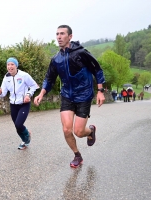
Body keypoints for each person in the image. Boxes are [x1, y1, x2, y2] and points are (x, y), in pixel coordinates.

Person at [33, 25, 105, 168]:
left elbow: (97, 69)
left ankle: (91, 130)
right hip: (67, 95)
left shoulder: (81, 53)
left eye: (62, 34)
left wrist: (100, 90)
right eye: (57, 34)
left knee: (78, 132)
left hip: (84, 94)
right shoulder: (56, 59)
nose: (59, 37)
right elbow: (49, 78)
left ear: (70, 36)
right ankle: (77, 155)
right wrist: (42, 92)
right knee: (66, 129)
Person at [0, 57, 39, 150]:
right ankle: (25, 138)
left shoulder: (24, 75)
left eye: (12, 64)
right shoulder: (6, 77)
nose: (10, 66)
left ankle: (26, 140)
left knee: (19, 124)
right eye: (8, 64)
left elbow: (34, 86)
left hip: (24, 103)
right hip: (13, 104)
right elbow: (3, 93)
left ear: (16, 66)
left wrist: (28, 95)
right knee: (17, 126)